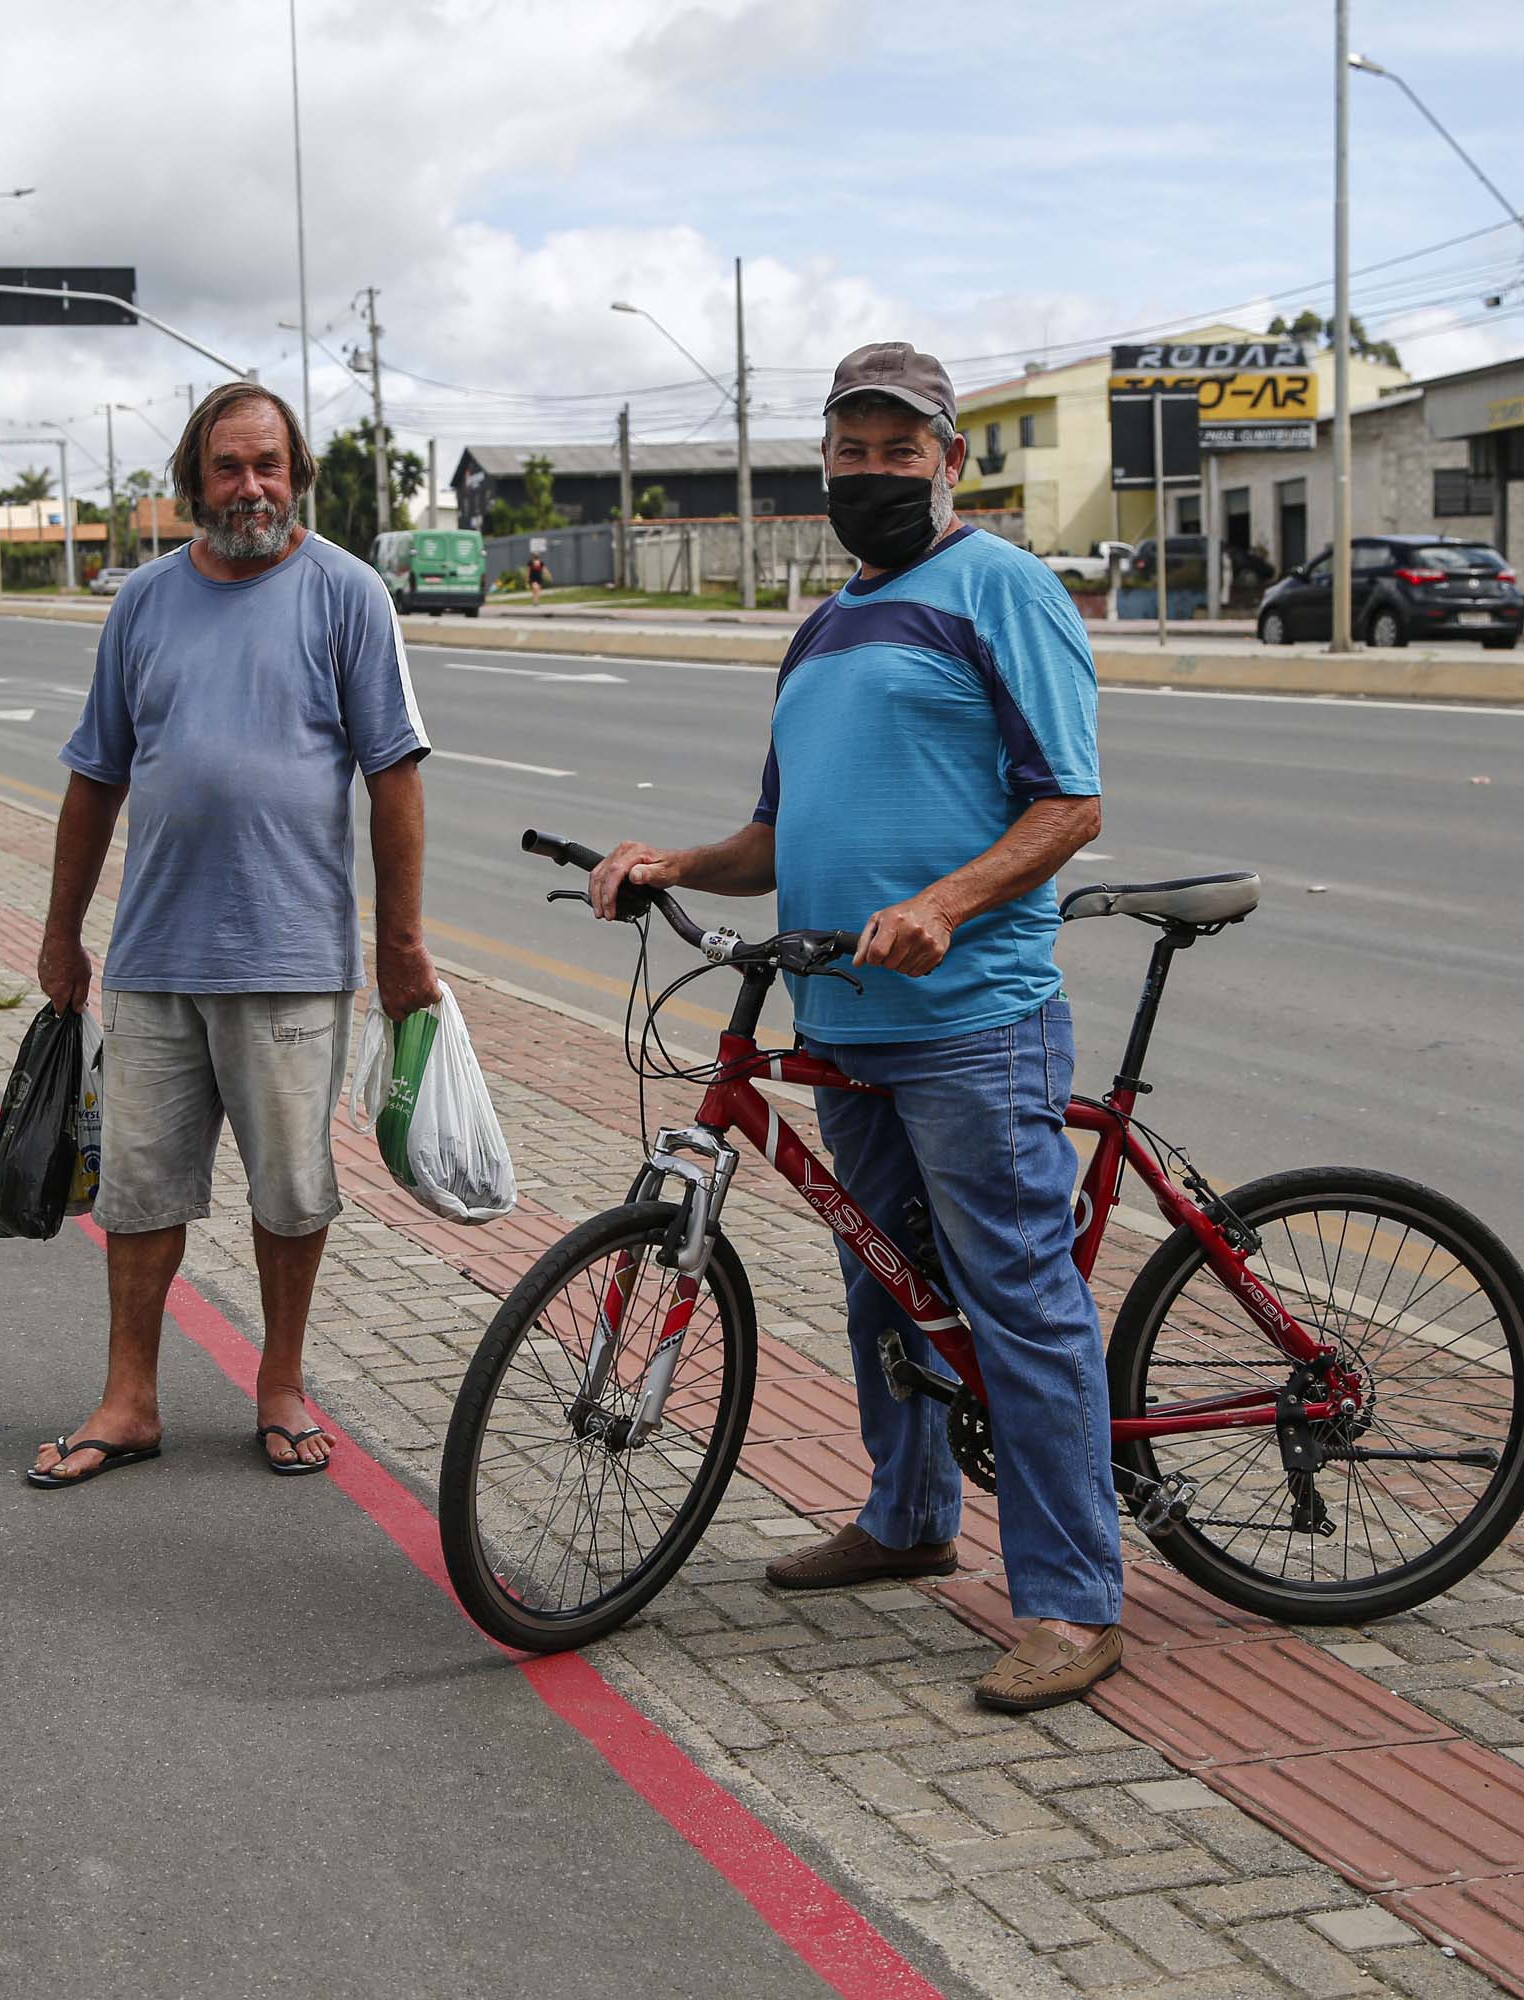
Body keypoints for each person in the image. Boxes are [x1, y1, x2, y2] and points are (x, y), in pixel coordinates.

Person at [586, 342, 1121, 1714]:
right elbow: (776, 836)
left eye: (902, 449)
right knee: (884, 1282)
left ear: (950, 461)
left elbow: (1069, 806)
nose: (874, 471)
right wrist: (671, 864)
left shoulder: (1001, 587)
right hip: (847, 1021)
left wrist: (946, 902)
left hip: (972, 1017)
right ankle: (907, 1516)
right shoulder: (823, 628)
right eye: (853, 450)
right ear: (823, 462)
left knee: (1016, 1296)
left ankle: (1070, 1600)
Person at [33, 383, 437, 1487]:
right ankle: (130, 1397)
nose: (249, 486)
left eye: (268, 464)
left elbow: (394, 777)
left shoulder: (346, 594)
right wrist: (62, 932)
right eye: (227, 466)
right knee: (139, 1188)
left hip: (293, 958)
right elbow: (94, 778)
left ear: (296, 472)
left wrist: (399, 946)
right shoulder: (144, 604)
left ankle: (282, 1384)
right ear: (194, 480)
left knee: (292, 1190)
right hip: (155, 956)